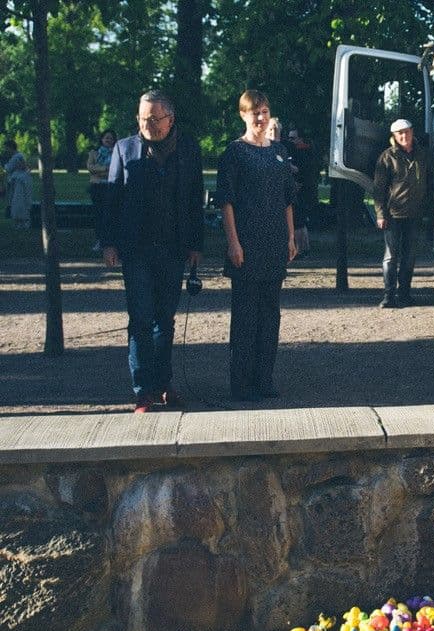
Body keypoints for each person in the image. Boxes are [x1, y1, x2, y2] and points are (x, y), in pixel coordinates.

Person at [102, 91, 205, 414]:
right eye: (143, 118)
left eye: (154, 118)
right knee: (141, 320)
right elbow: (111, 200)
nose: (147, 124)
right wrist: (109, 243)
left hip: (173, 248)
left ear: (170, 119)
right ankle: (143, 391)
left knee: (166, 321)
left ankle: (164, 384)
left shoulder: (188, 149)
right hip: (136, 250)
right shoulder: (124, 149)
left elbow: (195, 199)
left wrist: (196, 245)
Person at [215, 89, 297, 402]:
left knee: (270, 315)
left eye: (264, 112)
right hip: (246, 245)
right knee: (246, 317)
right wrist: (233, 242)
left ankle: (264, 379)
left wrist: (290, 236)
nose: (260, 118)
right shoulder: (234, 153)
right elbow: (226, 202)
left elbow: (287, 199)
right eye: (254, 113)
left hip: (274, 243)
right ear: (243, 115)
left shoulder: (279, 151)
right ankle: (242, 383)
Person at [372, 118, 433, 308]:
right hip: (393, 214)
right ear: (394, 136)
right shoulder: (387, 157)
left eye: (407, 132)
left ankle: (405, 294)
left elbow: (433, 179)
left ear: (412, 132)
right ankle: (389, 296)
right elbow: (379, 189)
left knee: (409, 256)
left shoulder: (423, 155)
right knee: (390, 256)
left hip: (415, 214)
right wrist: (380, 214)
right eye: (400, 133)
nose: (404, 136)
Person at [285, 126, 318, 256]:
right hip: (304, 190)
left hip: (303, 191)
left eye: (293, 138)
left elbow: (301, 170)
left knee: (298, 221)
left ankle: (300, 249)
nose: (290, 141)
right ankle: (305, 247)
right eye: (289, 138)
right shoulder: (304, 151)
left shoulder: (303, 152)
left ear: (300, 139)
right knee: (301, 221)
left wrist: (286, 165)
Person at [87, 129, 116, 252]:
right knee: (98, 214)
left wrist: (101, 171)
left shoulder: (116, 152)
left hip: (111, 186)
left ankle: (110, 240)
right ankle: (100, 240)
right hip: (97, 187)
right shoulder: (94, 153)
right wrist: (105, 169)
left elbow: (116, 169)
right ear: (102, 139)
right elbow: (90, 167)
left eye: (111, 138)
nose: (108, 140)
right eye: (106, 138)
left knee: (109, 214)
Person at [3, 140, 33, 229]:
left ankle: (22, 221)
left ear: (11, 147)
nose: (5, 150)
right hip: (19, 181)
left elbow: (8, 168)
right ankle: (20, 222)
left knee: (19, 201)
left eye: (6, 148)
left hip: (20, 181)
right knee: (19, 201)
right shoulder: (19, 156)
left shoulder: (17, 157)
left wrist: (4, 165)